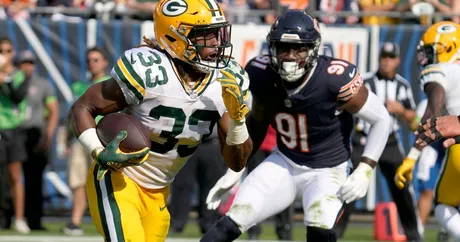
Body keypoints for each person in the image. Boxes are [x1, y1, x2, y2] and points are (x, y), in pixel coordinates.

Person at [68, 0, 253, 241]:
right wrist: (97, 150)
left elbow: (236, 161)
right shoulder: (150, 71)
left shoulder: (225, 80)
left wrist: (238, 121)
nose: (217, 43)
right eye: (206, 35)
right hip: (119, 180)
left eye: (217, 33)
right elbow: (83, 107)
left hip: (159, 193)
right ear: (175, 37)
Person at [201, 10, 391, 242]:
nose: (290, 56)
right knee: (230, 223)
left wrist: (365, 168)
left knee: (319, 229)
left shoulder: (334, 79)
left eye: (299, 48)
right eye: (283, 47)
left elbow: (382, 119)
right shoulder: (260, 73)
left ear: (313, 49)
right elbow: (258, 123)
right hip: (285, 162)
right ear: (272, 47)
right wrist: (236, 170)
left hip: (328, 169)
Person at [335, 42, 423, 241]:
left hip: (390, 142)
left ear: (397, 61)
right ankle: (334, 233)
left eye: (391, 58)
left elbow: (414, 122)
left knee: (402, 187)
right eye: (384, 57)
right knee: (349, 187)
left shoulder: (403, 86)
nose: (386, 62)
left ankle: (414, 235)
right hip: (362, 140)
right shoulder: (364, 80)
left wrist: (402, 111)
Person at [395, 21, 460, 241]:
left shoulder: (442, 70)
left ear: (448, 47)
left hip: (458, 148)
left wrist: (412, 157)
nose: (425, 58)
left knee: (443, 207)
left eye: (430, 50)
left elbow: (431, 113)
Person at [207, 124, 294, 241]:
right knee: (255, 188)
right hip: (259, 143)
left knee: (284, 189)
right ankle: (253, 231)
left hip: (282, 144)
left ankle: (284, 230)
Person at [62, 47, 110, 236]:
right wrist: (65, 138)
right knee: (77, 180)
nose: (92, 64)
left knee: (103, 181)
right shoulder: (79, 86)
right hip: (80, 137)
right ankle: (75, 221)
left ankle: (107, 220)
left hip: (102, 138)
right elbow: (72, 114)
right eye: (89, 60)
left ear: (105, 62)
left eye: (96, 60)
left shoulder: (110, 84)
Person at [18, 50, 59, 231]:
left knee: (34, 180)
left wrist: (48, 135)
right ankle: (8, 217)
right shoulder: (11, 82)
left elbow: (53, 111)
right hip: (14, 134)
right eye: (23, 63)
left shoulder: (42, 85)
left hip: (35, 136)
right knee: (10, 178)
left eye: (30, 63)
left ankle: (34, 219)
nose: (27, 66)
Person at [168, 125, 227, 235]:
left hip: (213, 143)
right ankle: (177, 223)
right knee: (182, 184)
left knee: (211, 187)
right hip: (186, 142)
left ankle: (209, 223)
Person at [0, 37, 30, 234]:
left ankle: (19, 218)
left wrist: (5, 79)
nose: (4, 54)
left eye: (8, 51)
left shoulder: (19, 74)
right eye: (1, 50)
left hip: (14, 129)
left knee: (14, 175)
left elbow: (18, 97)